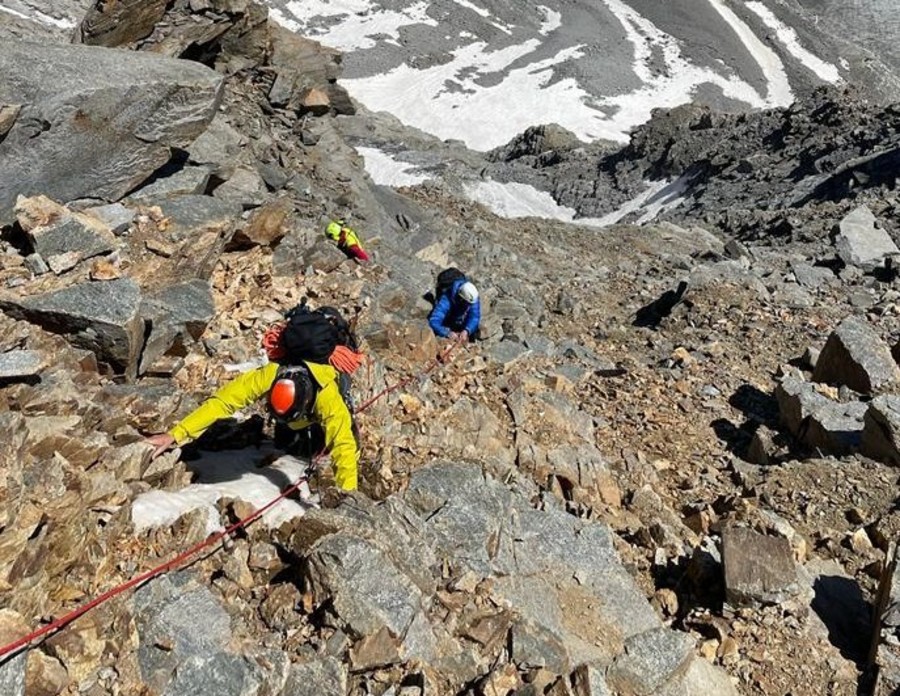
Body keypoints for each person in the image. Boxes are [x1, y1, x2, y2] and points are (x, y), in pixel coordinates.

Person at [145, 307, 363, 491]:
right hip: (299, 414)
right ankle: (294, 432)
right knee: (290, 440)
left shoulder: (327, 395)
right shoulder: (270, 374)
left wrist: (347, 494)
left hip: (324, 403)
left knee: (340, 436)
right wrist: (174, 435)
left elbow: (343, 445)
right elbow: (223, 401)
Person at [428, 267, 481, 342]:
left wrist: (467, 330)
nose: (470, 306)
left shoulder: (473, 298)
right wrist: (447, 333)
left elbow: (475, 317)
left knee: (475, 330)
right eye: (467, 304)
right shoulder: (446, 299)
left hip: (460, 320)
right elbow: (434, 320)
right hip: (450, 320)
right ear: (461, 298)